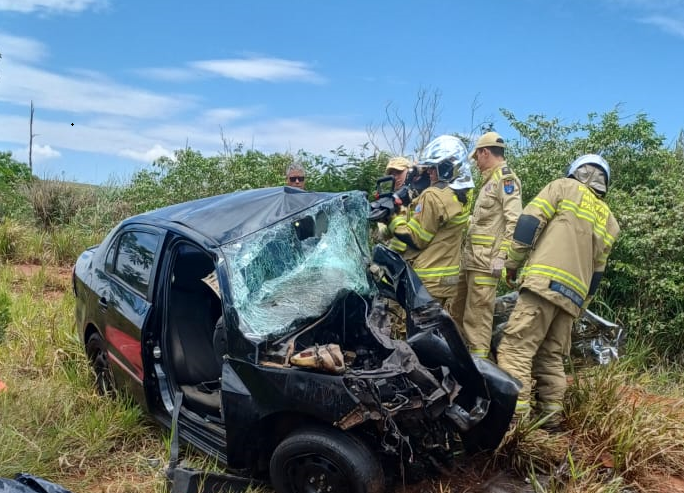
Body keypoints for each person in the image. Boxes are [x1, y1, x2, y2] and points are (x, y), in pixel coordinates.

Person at [496, 154, 620, 427]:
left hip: (543, 283)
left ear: (575, 172)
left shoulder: (562, 187)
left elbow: (528, 222)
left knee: (515, 349)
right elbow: (597, 273)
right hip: (573, 298)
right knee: (551, 358)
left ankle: (514, 421)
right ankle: (550, 422)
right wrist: (582, 305)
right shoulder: (610, 221)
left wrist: (512, 264)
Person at [452, 132, 522, 359]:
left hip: (486, 264)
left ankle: (481, 375)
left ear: (485, 152)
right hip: (471, 261)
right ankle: (460, 362)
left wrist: (503, 258)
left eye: (477, 156)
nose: (476, 162)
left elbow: (515, 221)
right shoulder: (489, 181)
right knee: (457, 313)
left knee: (477, 322)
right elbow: (484, 222)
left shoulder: (506, 179)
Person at [385, 135, 474, 311]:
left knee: (410, 332)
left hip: (425, 280)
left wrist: (393, 218)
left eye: (434, 168)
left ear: (448, 168)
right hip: (446, 279)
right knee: (434, 330)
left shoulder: (432, 196)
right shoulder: (463, 195)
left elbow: (416, 237)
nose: (429, 172)